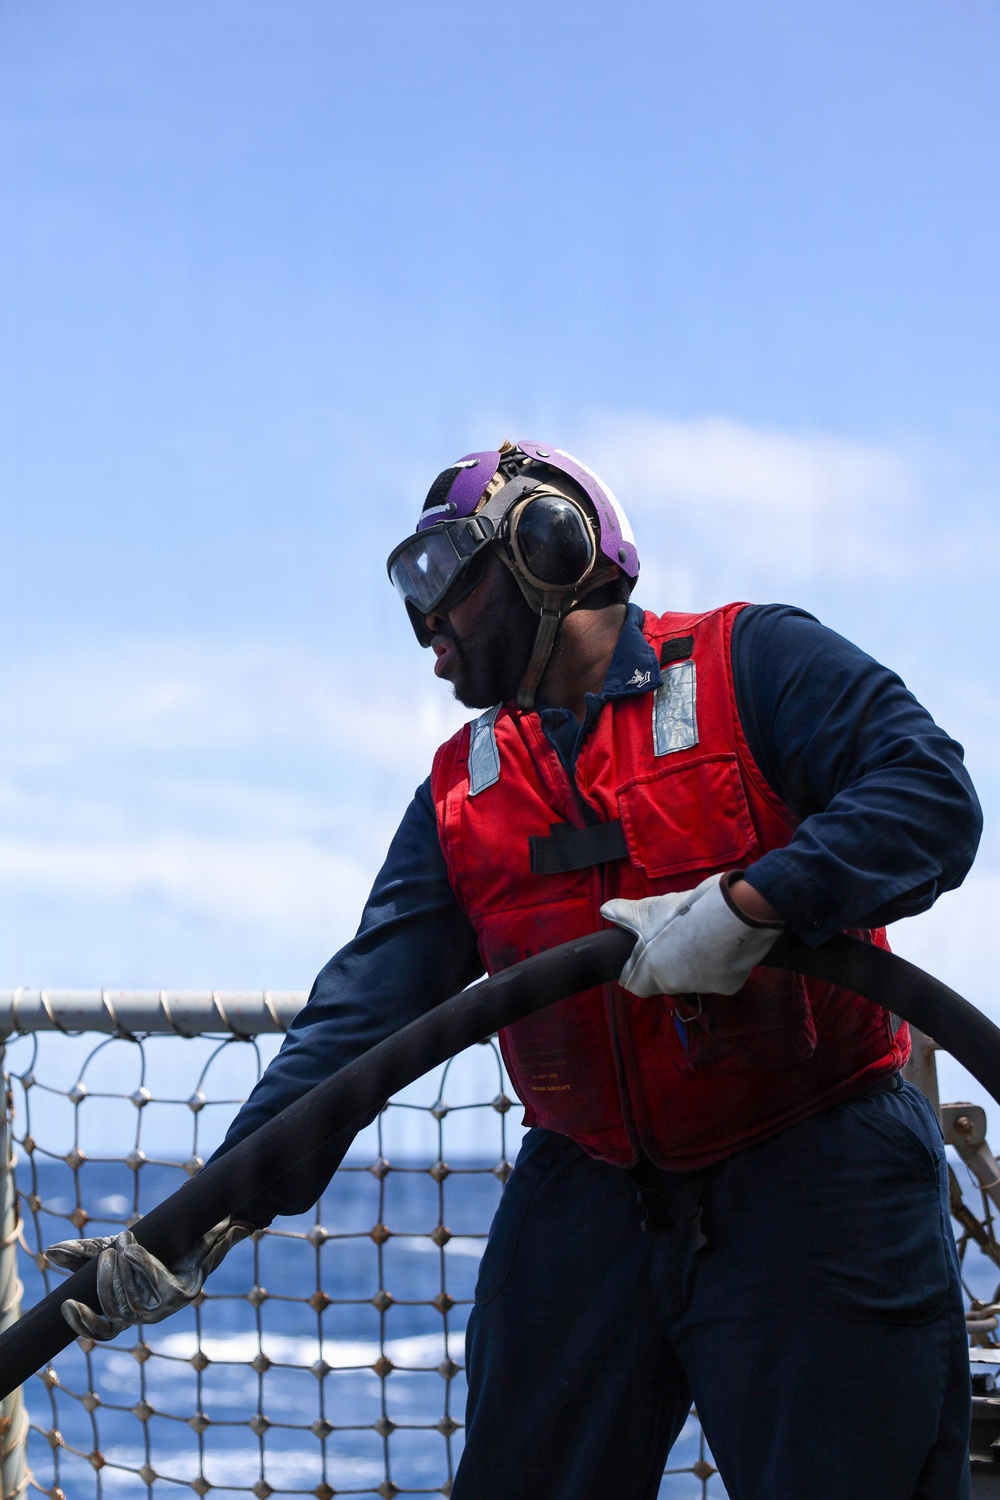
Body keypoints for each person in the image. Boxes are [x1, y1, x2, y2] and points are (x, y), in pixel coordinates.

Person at [49, 439, 982, 1499]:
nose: (425, 628)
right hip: (588, 1193)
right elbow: (362, 1015)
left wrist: (750, 906)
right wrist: (208, 1214)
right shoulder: (462, 794)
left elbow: (928, 798)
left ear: (551, 548)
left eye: (442, 580)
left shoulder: (751, 665)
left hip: (815, 1176)